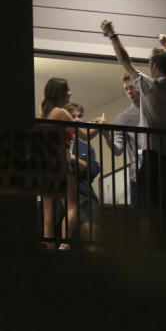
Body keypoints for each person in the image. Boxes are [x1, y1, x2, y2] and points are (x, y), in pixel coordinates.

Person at [100, 20, 166, 237]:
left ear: (154, 66)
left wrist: (112, 34)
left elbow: (125, 61)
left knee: (145, 208)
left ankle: (149, 248)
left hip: (153, 156)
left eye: (150, 62)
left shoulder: (150, 87)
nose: (149, 65)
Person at [39, 77, 78, 248]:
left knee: (48, 209)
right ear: (61, 93)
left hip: (45, 165)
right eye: (68, 89)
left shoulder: (45, 115)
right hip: (60, 163)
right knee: (71, 205)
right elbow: (83, 133)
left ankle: (49, 247)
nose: (70, 93)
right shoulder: (61, 113)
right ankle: (64, 243)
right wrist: (99, 125)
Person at [102, 73, 142, 206]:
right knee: (141, 217)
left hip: (160, 171)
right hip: (138, 174)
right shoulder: (124, 119)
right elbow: (118, 150)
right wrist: (108, 137)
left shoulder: (154, 111)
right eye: (126, 89)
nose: (129, 91)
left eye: (131, 87)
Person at [67, 103, 102, 241]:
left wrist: (75, 160)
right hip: (70, 194)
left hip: (88, 194)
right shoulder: (62, 143)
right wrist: (82, 166)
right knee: (86, 229)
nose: (77, 119)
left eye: (79, 116)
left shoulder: (84, 146)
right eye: (73, 116)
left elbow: (93, 170)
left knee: (97, 231)